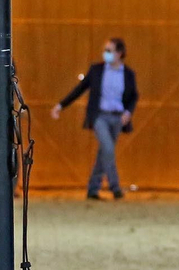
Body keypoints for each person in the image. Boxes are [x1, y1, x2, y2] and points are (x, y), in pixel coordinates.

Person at [51, 37, 137, 200]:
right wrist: (61, 105)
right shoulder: (97, 70)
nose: (106, 53)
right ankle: (115, 187)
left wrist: (128, 112)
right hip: (100, 116)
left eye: (109, 51)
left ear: (119, 54)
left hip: (118, 118)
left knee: (104, 153)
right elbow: (80, 89)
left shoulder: (128, 74)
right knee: (108, 149)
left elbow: (133, 96)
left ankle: (93, 189)